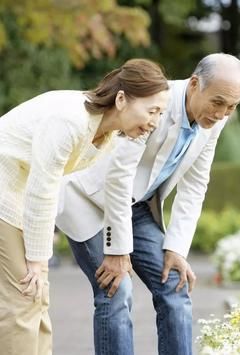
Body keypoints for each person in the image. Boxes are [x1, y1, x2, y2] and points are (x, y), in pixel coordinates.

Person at [56, 53, 240, 355]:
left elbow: (196, 183)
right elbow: (118, 178)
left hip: (138, 207)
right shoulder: (153, 100)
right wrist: (118, 251)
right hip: (90, 201)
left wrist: (176, 248)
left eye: (232, 107)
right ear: (195, 84)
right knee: (116, 290)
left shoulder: (214, 119)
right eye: (218, 102)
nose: (223, 113)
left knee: (175, 283)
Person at [0, 58, 170, 355]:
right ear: (121, 99)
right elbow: (43, 189)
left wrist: (119, 247)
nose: (154, 122)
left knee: (37, 299)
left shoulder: (108, 134)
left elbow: (117, 187)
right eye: (152, 111)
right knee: (24, 298)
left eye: (160, 113)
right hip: (7, 192)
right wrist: (39, 261)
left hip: (20, 195)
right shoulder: (70, 121)